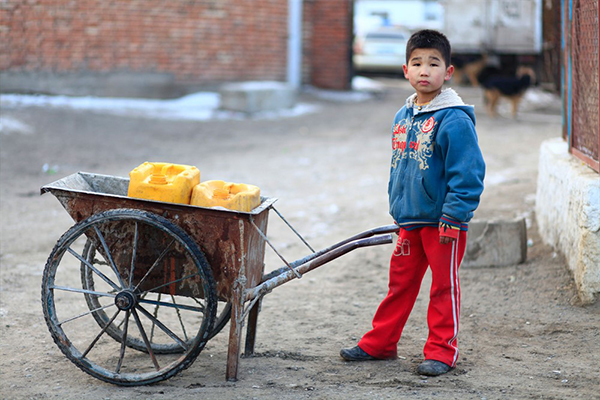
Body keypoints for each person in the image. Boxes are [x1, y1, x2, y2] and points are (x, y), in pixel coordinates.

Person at [340, 29, 486, 377]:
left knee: (443, 286)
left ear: (448, 72)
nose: (425, 70)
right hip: (410, 220)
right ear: (405, 70)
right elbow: (401, 169)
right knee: (400, 283)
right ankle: (381, 343)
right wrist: (399, 209)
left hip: (443, 222)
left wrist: (455, 214)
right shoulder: (402, 117)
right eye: (417, 63)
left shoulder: (454, 119)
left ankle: (441, 351)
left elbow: (468, 172)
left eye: (433, 63)